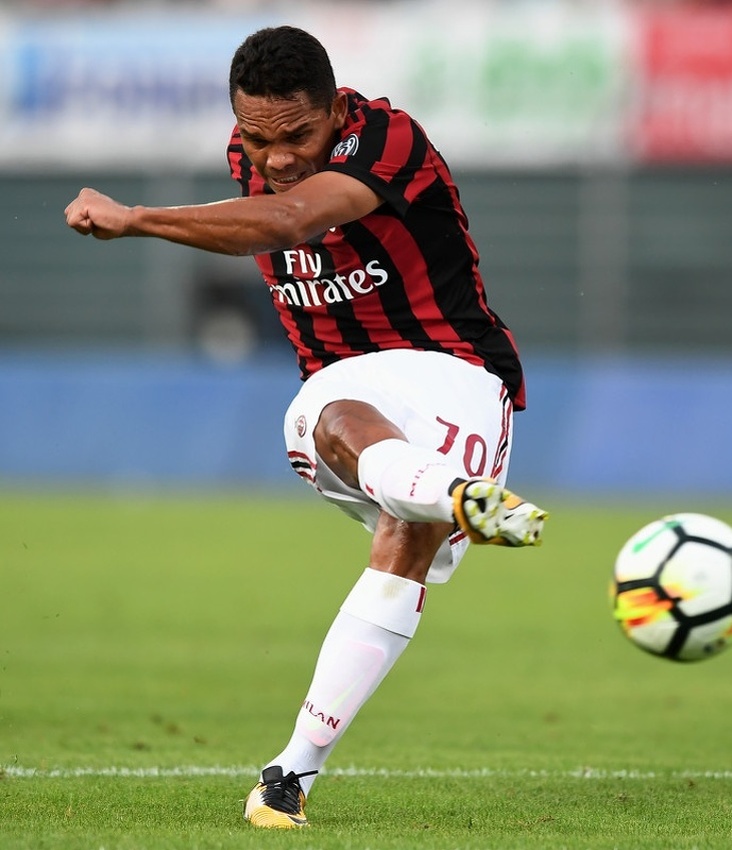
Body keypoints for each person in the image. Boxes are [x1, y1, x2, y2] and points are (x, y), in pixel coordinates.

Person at [65, 25, 548, 829]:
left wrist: (138, 219)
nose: (277, 157)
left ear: (333, 111)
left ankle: (290, 772)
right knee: (349, 434)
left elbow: (291, 221)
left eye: (297, 135)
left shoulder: (388, 139)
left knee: (398, 521)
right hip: (347, 385)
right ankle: (451, 495)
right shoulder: (246, 153)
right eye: (258, 139)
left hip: (457, 372)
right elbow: (273, 199)